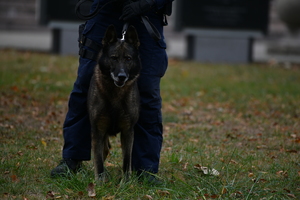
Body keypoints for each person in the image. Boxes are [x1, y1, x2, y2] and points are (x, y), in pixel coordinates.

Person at [51, 0, 172, 184]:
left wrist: (147, 3)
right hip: (106, 9)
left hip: (148, 11)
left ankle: (146, 169)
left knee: (147, 90)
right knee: (85, 82)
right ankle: (72, 158)